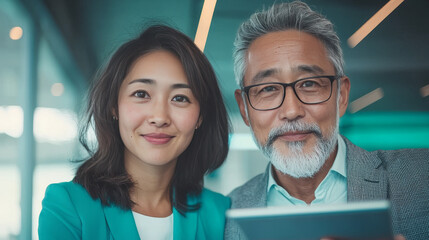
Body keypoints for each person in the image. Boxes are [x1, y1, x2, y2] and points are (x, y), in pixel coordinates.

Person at [225, 2, 429, 240]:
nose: (291, 111)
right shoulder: (227, 216)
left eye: (309, 84)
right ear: (244, 108)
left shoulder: (422, 178)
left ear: (341, 96)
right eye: (268, 88)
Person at [39, 24, 230, 240]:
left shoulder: (221, 213)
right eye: (141, 94)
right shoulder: (68, 205)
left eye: (180, 98)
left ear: (200, 117)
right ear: (114, 106)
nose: (159, 117)